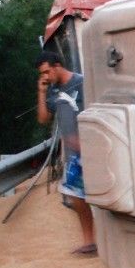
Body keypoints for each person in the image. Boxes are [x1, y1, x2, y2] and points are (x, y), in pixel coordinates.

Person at [36, 51, 96, 256]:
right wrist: (42, 92)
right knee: (75, 195)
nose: (45, 77)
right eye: (41, 74)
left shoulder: (82, 83)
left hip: (95, 148)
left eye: (46, 72)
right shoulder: (52, 92)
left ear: (57, 65)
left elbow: (99, 110)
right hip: (73, 154)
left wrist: (89, 138)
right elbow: (43, 119)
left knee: (105, 192)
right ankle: (90, 242)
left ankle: (112, 239)